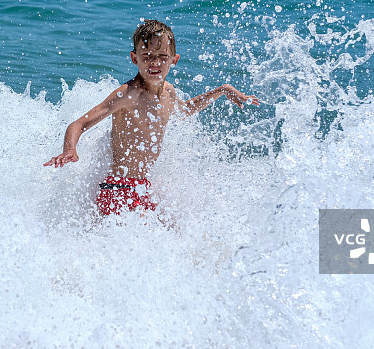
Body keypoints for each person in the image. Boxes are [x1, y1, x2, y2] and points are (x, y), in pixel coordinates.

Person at [43, 19, 260, 216]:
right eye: (147, 57)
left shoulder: (169, 92)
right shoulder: (128, 94)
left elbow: (184, 111)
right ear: (134, 58)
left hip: (142, 186)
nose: (154, 63)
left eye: (162, 57)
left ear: (174, 60)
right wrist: (69, 150)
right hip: (116, 187)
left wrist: (221, 90)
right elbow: (78, 124)